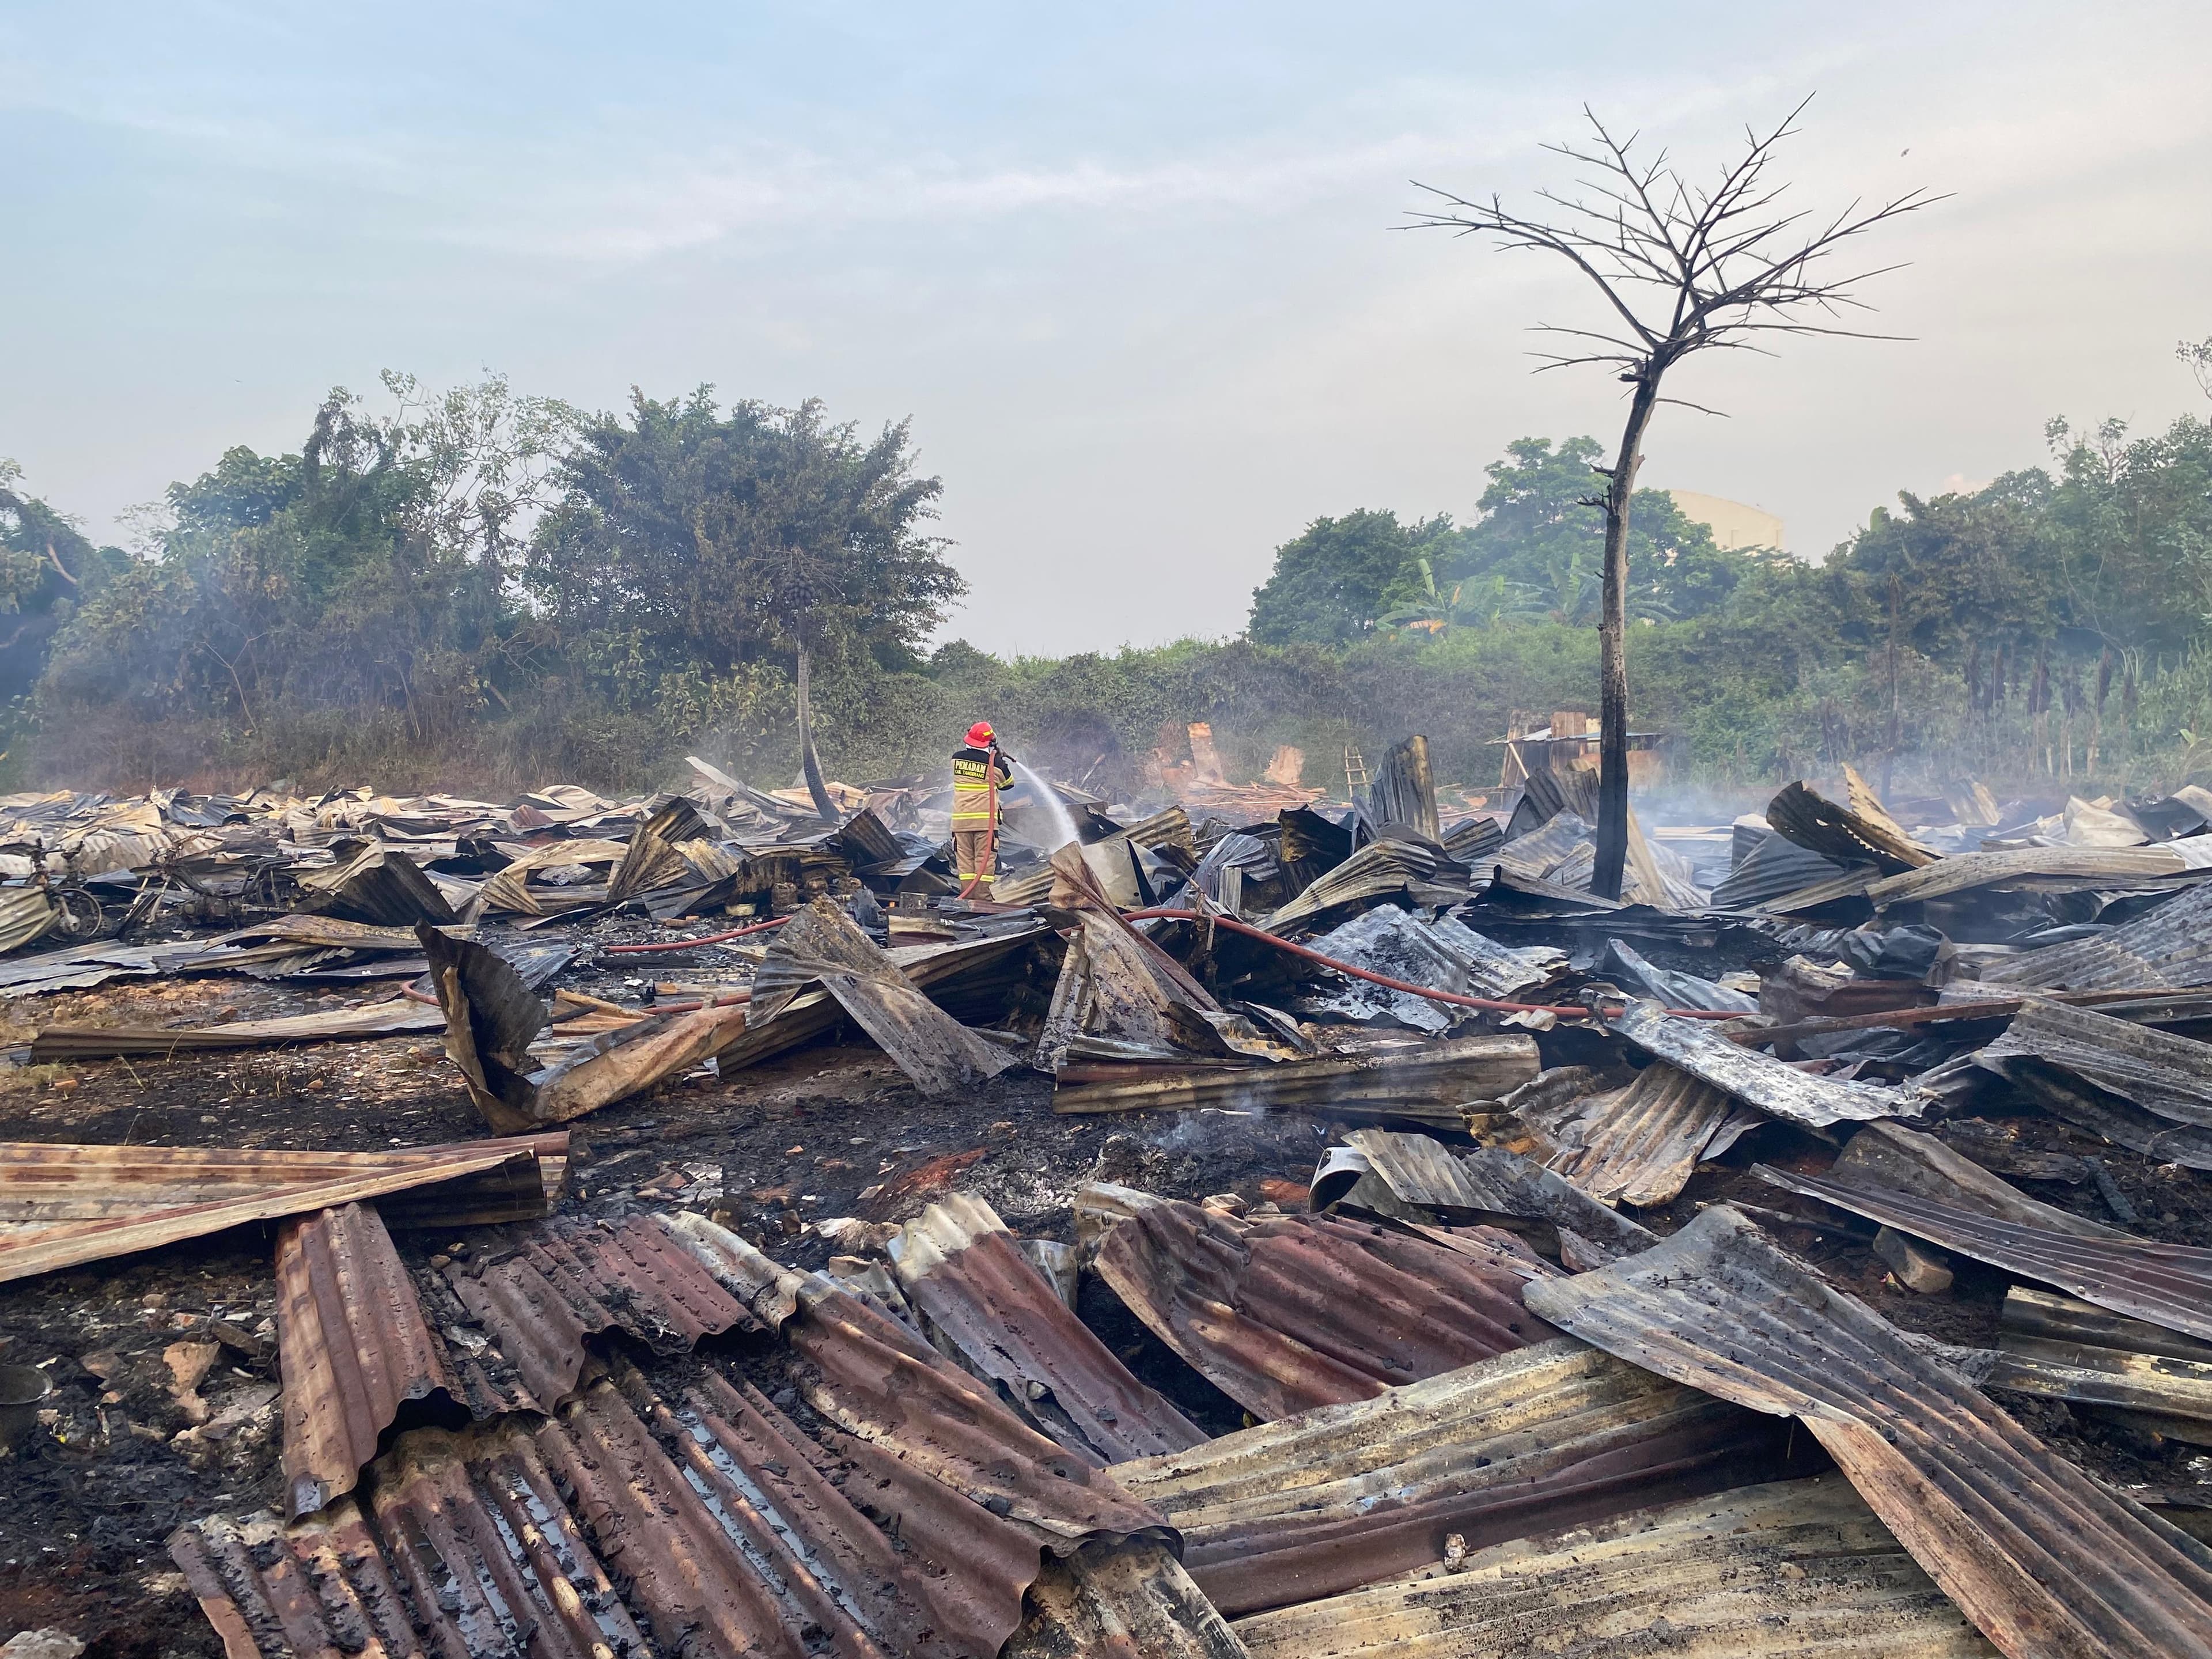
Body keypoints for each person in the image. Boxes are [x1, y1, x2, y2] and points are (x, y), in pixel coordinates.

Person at [951, 721, 1014, 895]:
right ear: (990, 742)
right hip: (984, 823)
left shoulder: (956, 758)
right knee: (984, 864)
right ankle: (982, 903)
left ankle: (967, 900)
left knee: (965, 865)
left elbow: (973, 761)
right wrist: (1000, 759)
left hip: (961, 822)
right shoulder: (995, 764)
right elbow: (1008, 784)